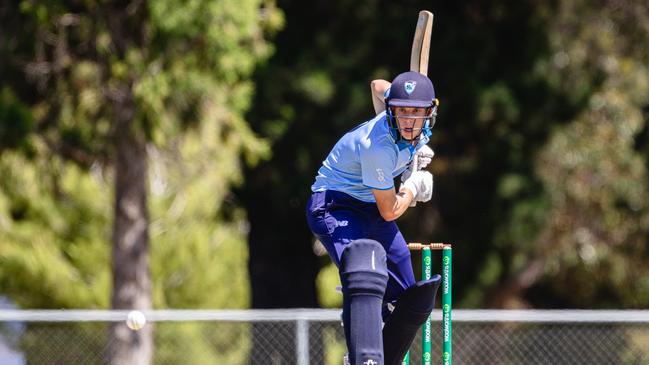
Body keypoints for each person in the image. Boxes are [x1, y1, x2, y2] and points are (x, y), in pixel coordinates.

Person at [306, 71, 442, 365]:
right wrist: (412, 185)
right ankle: (359, 353)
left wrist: (410, 153)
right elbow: (390, 210)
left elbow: (377, 85)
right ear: (392, 110)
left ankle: (376, 353)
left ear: (429, 112)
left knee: (411, 300)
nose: (408, 119)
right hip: (335, 205)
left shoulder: (410, 129)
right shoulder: (377, 148)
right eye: (402, 111)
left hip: (368, 204)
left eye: (416, 112)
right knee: (364, 273)